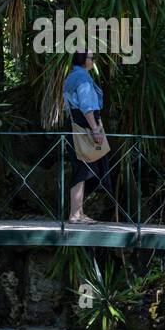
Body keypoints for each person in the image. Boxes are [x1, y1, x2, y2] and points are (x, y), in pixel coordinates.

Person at [64, 51, 107, 223]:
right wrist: (95, 129)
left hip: (72, 126)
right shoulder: (82, 79)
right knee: (83, 167)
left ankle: (78, 213)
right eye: (91, 58)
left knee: (81, 167)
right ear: (83, 60)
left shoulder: (71, 77)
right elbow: (87, 106)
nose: (93, 61)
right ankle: (75, 214)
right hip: (82, 127)